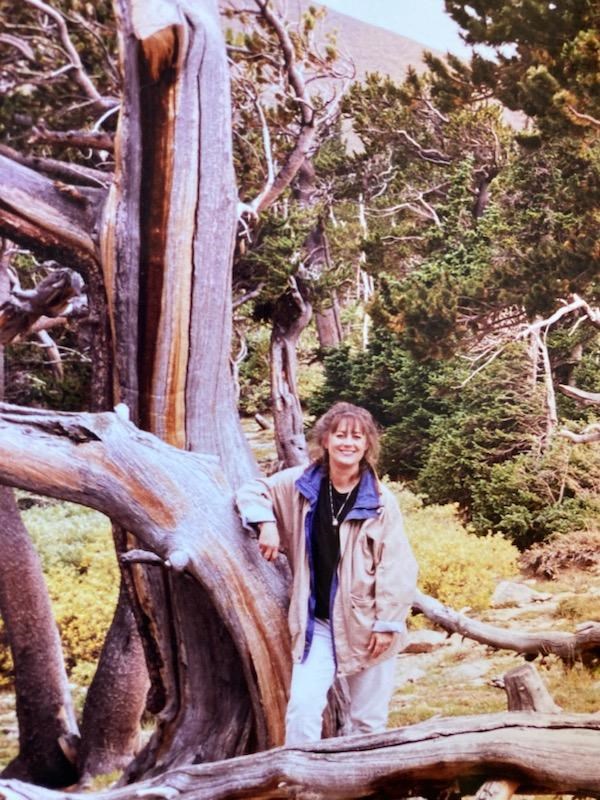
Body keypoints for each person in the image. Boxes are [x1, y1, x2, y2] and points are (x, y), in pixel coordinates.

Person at [235, 402, 418, 745]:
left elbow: (397, 566)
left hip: (368, 625)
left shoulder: (380, 500)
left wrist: (387, 623)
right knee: (302, 712)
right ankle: (304, 789)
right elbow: (251, 490)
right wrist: (267, 524)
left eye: (357, 436)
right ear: (326, 440)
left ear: (367, 445)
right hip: (315, 626)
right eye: (340, 435)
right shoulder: (299, 484)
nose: (348, 443)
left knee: (368, 724)